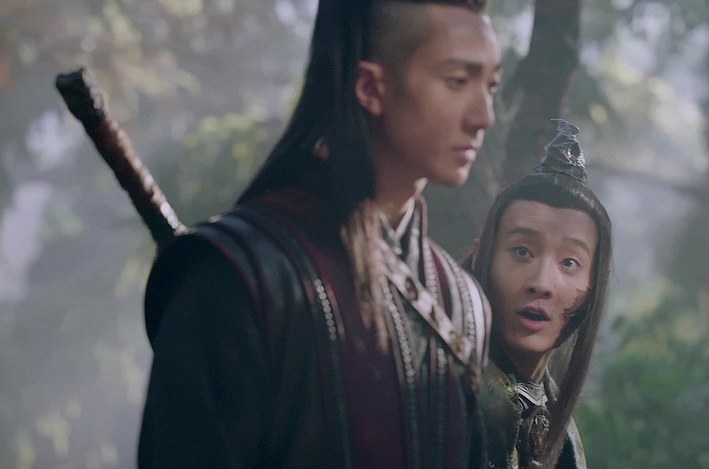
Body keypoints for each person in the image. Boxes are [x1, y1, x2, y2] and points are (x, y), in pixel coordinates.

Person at [137, 1, 501, 467]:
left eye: (490, 85)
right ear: (370, 87)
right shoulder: (236, 278)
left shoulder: (464, 306)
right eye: (458, 81)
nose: (484, 116)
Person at [463, 119, 612, 468]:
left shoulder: (557, 416)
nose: (542, 283)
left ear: (595, 286)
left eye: (569, 262)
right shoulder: (446, 395)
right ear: (481, 256)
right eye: (522, 252)